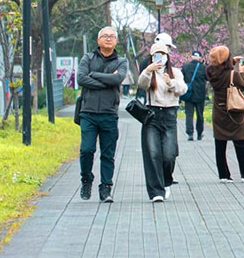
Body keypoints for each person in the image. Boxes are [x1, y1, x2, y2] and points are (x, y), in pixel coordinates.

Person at [77, 26, 128, 202]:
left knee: (108, 153)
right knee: (87, 150)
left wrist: (95, 75)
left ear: (116, 41)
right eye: (105, 36)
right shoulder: (88, 58)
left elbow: (118, 79)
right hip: (88, 112)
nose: (108, 39)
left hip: (109, 113)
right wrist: (106, 82)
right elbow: (81, 78)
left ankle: (106, 188)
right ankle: (86, 179)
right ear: (98, 40)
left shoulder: (121, 61)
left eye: (112, 36)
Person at [136, 41, 187, 202]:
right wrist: (147, 71)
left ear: (168, 56)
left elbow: (183, 90)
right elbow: (141, 85)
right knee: (152, 153)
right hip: (152, 114)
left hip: (170, 114)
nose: (160, 58)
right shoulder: (149, 72)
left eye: (163, 54)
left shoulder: (175, 72)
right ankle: (156, 192)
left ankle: (166, 180)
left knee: (169, 154)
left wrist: (170, 82)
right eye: (156, 55)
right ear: (152, 57)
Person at [206, 45, 244, 182]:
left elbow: (219, 67)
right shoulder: (233, 75)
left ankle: (224, 175)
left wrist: (232, 62)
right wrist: (241, 71)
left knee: (220, 144)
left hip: (219, 112)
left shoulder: (211, 73)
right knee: (240, 143)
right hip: (233, 113)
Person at [180, 50, 208, 141]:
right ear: (200, 58)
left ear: (191, 57)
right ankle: (199, 133)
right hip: (200, 95)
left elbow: (181, 79)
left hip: (189, 94)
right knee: (200, 115)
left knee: (189, 114)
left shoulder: (185, 67)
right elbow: (208, 78)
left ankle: (190, 133)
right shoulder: (203, 68)